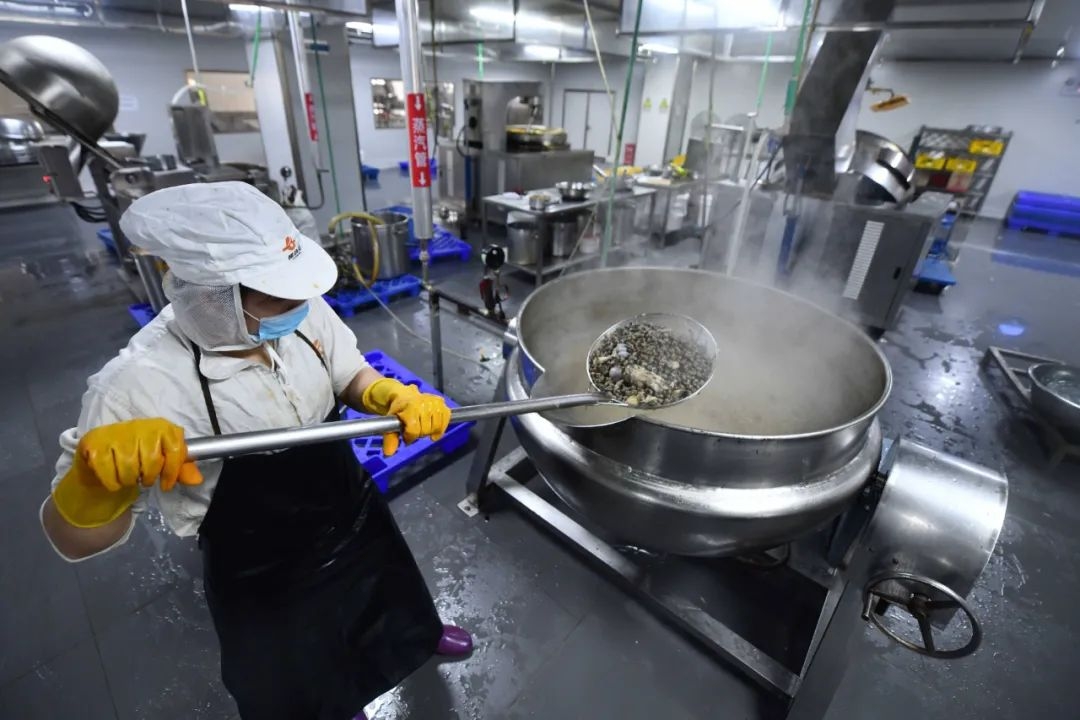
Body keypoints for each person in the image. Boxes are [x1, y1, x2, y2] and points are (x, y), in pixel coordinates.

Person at [40, 182, 473, 720]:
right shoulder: (136, 387)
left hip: (353, 514)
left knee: (392, 595)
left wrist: (386, 394)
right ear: (211, 296)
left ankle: (418, 637)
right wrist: (95, 485)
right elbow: (72, 541)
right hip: (260, 567)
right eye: (278, 297)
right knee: (300, 676)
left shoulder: (303, 310)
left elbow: (349, 372)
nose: (299, 307)